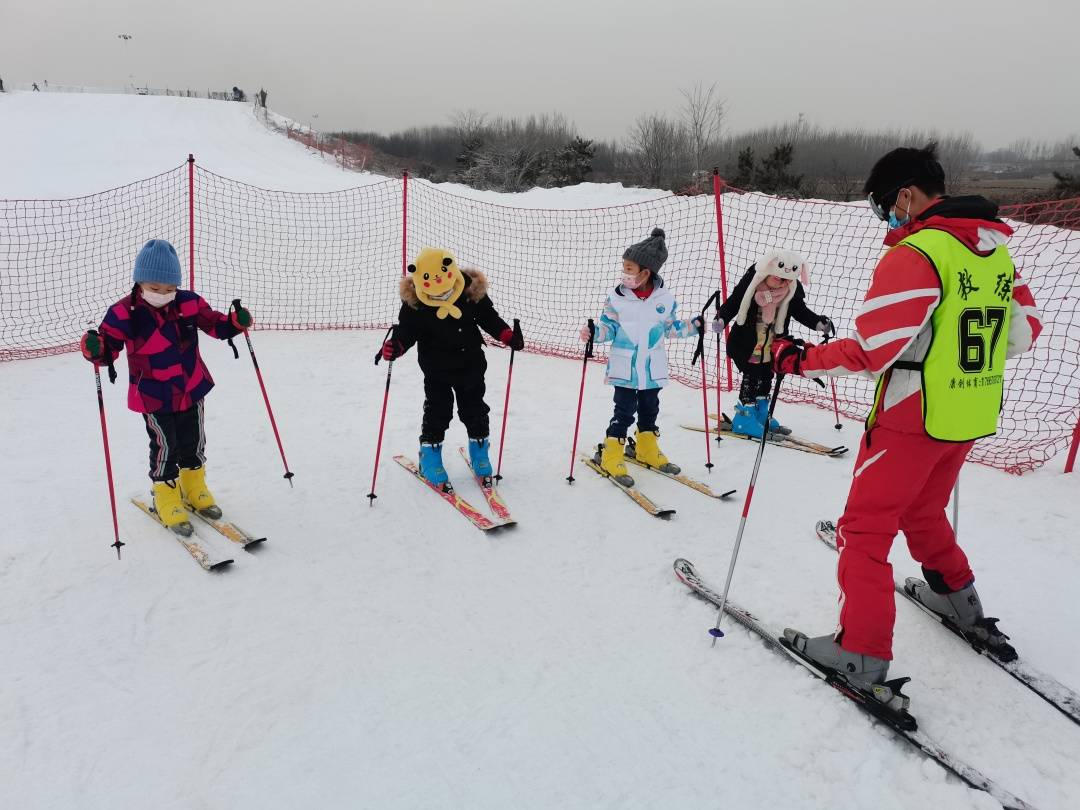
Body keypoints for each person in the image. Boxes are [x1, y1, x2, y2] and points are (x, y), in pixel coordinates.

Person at [770, 143, 1043, 710]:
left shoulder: (919, 251)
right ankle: (957, 600)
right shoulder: (993, 253)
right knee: (921, 511)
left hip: (910, 417)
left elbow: (870, 350)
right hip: (968, 412)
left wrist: (797, 359)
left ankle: (862, 651)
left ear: (905, 195)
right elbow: (1023, 334)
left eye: (881, 207)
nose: (885, 220)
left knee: (865, 531)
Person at [80, 240, 252, 536]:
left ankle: (194, 486)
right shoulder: (124, 312)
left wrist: (235, 323)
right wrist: (96, 349)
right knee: (165, 445)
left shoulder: (188, 303)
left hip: (190, 387)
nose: (162, 295)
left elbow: (215, 325)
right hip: (152, 393)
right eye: (154, 288)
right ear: (140, 282)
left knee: (193, 439)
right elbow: (108, 348)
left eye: (169, 289)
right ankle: (167, 495)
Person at [381, 247, 523, 488]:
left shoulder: (469, 290)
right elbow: (407, 331)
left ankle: (479, 453)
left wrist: (505, 334)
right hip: (436, 368)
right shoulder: (416, 302)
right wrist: (397, 345)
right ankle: (430, 455)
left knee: (475, 409)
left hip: (471, 364)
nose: (437, 283)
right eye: (429, 279)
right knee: (438, 410)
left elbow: (487, 316)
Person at [580, 227, 702, 486]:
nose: (624, 274)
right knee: (624, 411)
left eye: (629, 269)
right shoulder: (618, 299)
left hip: (651, 370)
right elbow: (608, 327)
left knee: (650, 410)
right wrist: (594, 333)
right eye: (624, 268)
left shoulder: (665, 300)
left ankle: (646, 447)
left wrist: (695, 326)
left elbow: (671, 329)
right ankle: (612, 453)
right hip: (625, 369)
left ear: (646, 272)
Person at [710, 248, 833, 437]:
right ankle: (744, 417)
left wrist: (817, 322)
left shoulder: (790, 289)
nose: (782, 283)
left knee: (767, 376)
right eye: (778, 278)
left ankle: (760, 414)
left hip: (772, 344)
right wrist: (722, 319)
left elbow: (800, 311)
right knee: (751, 377)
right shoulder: (754, 282)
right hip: (747, 343)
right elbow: (735, 301)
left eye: (787, 279)